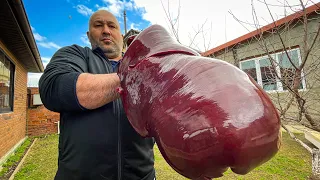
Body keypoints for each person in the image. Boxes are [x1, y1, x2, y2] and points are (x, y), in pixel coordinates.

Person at [39, 10, 155, 180]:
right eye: (98, 25)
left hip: (142, 176)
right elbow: (54, 87)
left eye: (112, 26)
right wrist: (132, 78)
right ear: (88, 34)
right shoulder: (75, 54)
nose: (106, 30)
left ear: (121, 35)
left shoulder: (141, 64)